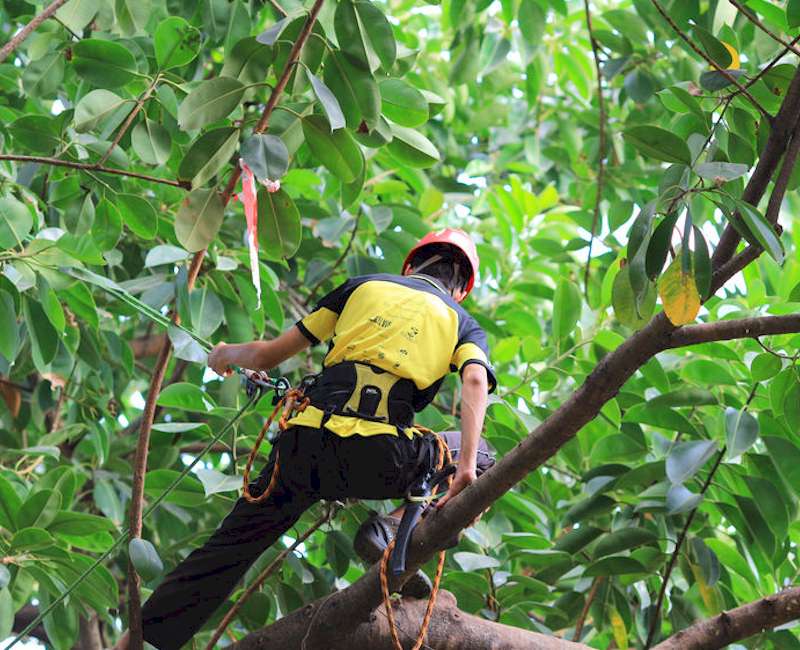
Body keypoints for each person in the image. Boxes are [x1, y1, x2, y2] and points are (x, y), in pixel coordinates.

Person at [122, 228, 496, 650]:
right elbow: (476, 378)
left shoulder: (362, 287)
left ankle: (134, 644)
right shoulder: (462, 322)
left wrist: (225, 354)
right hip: (380, 458)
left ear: (409, 265)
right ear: (461, 289)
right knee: (485, 455)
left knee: (224, 555)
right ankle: (389, 529)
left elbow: (266, 356)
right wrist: (465, 469)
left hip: (302, 449)